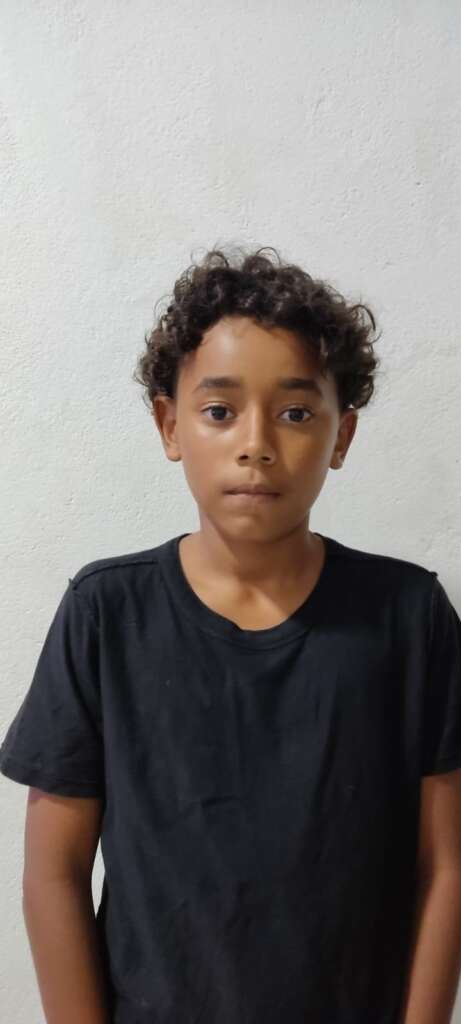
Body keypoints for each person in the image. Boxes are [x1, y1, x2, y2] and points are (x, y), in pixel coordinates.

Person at [1, 245, 461, 1024]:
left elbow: (444, 865)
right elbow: (53, 872)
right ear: (169, 425)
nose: (256, 443)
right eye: (219, 411)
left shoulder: (407, 616)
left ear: (341, 436)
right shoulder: (106, 613)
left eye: (295, 413)